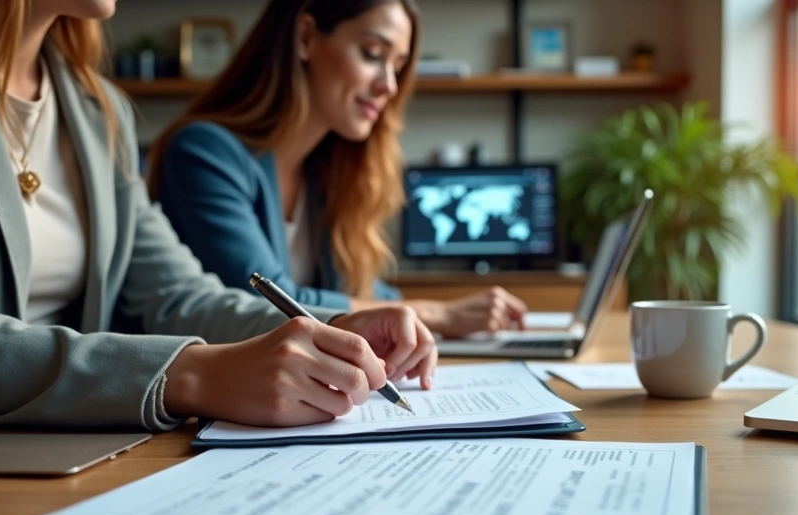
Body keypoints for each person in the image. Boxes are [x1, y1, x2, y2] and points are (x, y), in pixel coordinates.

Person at [0, 0, 437, 437]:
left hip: (66, 453)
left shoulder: (98, 109)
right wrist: (186, 374)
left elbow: (175, 295)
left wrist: (336, 325)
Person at [147, 0, 528, 339]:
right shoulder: (204, 152)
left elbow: (367, 294)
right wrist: (438, 313)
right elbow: (270, 302)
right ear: (306, 37)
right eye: (372, 53)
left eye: (398, 66)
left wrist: (455, 314)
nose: (389, 87)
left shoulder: (328, 170)